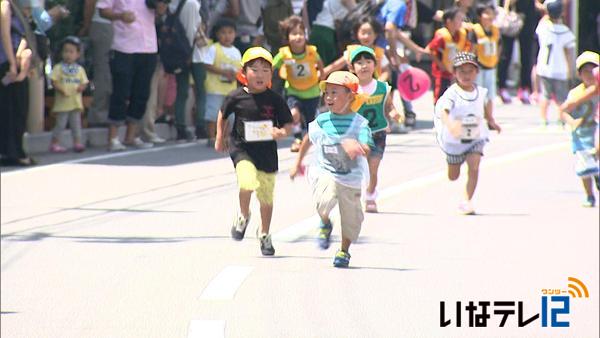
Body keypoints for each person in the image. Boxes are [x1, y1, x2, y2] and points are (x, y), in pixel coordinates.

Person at [290, 71, 373, 268]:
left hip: (351, 177)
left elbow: (367, 147)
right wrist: (297, 164)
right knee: (323, 202)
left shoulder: (359, 123)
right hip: (326, 171)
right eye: (327, 93)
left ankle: (344, 251)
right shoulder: (321, 121)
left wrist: (357, 146)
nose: (329, 97)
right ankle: (325, 222)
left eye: (335, 93)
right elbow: (307, 141)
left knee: (351, 220)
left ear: (351, 96)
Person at [215, 47, 293, 256]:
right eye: (255, 69)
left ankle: (265, 233)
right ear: (244, 72)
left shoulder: (275, 99)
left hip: (267, 153)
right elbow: (223, 114)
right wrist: (219, 137)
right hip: (242, 148)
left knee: (266, 198)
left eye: (265, 70)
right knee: (247, 181)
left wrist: (281, 132)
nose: (260, 75)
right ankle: (243, 215)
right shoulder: (236, 96)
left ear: (271, 74)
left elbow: (288, 124)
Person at [434, 52, 501, 215]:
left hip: (475, 137)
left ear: (477, 72)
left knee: (474, 165)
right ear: (455, 73)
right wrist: (450, 125)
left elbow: (485, 107)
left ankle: (466, 201)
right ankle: (454, 163)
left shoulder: (481, 92)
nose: (466, 75)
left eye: (470, 71)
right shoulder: (452, 93)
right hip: (454, 141)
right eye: (461, 71)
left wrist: (491, 121)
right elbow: (443, 111)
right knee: (453, 176)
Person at [98, 0, 157, 151]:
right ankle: (113, 138)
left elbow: (161, 10)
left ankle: (131, 136)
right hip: (124, 46)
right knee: (120, 92)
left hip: (148, 46)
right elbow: (102, 10)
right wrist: (120, 16)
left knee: (142, 93)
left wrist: (162, 6)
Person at [350, 46, 401, 212]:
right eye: (359, 62)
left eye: (368, 61)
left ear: (375, 65)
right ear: (352, 68)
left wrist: (394, 114)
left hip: (378, 132)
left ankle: (371, 195)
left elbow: (389, 106)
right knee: (357, 168)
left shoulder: (382, 87)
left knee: (373, 167)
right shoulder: (350, 90)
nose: (364, 66)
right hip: (356, 135)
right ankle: (354, 196)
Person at [272, 15, 324, 152]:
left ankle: (309, 140)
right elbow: (272, 66)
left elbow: (320, 64)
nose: (298, 37)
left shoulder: (312, 51)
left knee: (310, 120)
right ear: (287, 36)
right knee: (293, 114)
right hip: (293, 91)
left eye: (301, 33)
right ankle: (297, 138)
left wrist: (322, 78)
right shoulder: (284, 54)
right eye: (294, 34)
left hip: (312, 91)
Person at [560, 51, 599, 207]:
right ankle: (589, 195)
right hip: (581, 133)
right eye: (585, 71)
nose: (589, 75)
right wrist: (572, 122)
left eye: (593, 71)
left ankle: (596, 173)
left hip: (596, 129)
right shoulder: (576, 93)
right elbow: (564, 110)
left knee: (595, 157)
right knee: (584, 167)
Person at [0, 0, 35, 166]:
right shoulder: (5, 5)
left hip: (15, 60)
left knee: (17, 109)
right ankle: (12, 153)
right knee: (12, 109)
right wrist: (12, 62)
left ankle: (13, 151)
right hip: (7, 61)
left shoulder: (17, 7)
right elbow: (5, 33)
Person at [535, 0, 575, 126]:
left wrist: (546, 13)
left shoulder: (543, 28)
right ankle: (560, 119)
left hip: (544, 67)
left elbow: (542, 23)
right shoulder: (566, 32)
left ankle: (543, 119)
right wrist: (571, 71)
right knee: (561, 97)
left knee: (545, 95)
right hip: (560, 68)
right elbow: (569, 53)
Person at [202, 18, 242, 147]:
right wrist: (223, 72)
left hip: (230, 90)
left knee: (229, 115)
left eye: (230, 32)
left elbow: (240, 71)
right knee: (213, 113)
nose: (227, 36)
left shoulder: (236, 51)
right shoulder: (214, 48)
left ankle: (224, 137)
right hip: (214, 88)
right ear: (217, 34)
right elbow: (207, 65)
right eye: (223, 33)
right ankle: (212, 137)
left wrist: (235, 76)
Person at [49, 36, 89, 153]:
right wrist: (61, 89)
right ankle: (54, 143)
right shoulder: (58, 68)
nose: (68, 54)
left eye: (71, 52)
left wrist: (82, 87)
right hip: (63, 104)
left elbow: (84, 82)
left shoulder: (80, 69)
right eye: (65, 51)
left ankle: (77, 143)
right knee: (60, 125)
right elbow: (54, 81)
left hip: (75, 103)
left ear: (78, 54)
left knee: (76, 125)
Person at [324, 15, 390, 82]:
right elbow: (336, 65)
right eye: (363, 33)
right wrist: (322, 73)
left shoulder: (379, 52)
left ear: (375, 35)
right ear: (357, 34)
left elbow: (386, 71)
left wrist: (379, 84)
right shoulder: (352, 51)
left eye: (369, 33)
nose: (366, 36)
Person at [427, 7, 471, 104]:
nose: (461, 22)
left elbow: (467, 48)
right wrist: (440, 64)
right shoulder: (442, 36)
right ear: (449, 21)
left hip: (455, 71)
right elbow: (430, 50)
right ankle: (439, 117)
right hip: (441, 72)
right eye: (458, 19)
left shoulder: (461, 34)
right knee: (440, 96)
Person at [472, 4, 500, 119]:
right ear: (480, 16)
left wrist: (496, 59)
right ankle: (478, 116)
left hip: (491, 66)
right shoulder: (475, 30)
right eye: (486, 13)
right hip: (479, 67)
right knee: (478, 94)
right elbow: (472, 48)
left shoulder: (495, 30)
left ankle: (489, 117)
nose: (489, 16)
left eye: (491, 13)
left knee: (491, 95)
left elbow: (499, 45)